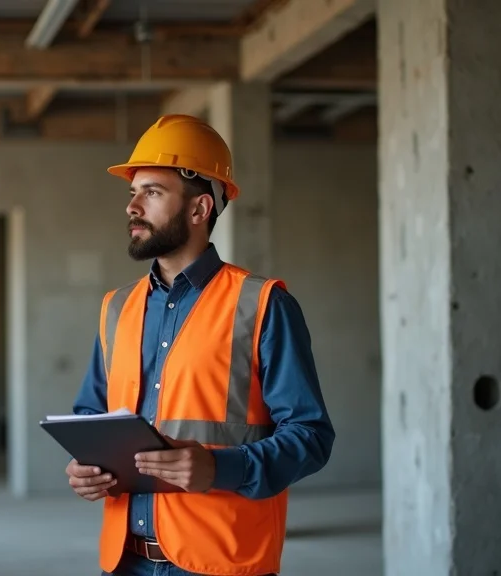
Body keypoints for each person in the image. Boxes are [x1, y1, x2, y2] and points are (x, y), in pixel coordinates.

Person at [66, 115, 335, 576]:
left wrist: (219, 469)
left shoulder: (263, 304)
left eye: (151, 192)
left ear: (199, 209)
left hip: (221, 560)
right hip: (125, 558)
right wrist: (86, 468)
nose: (133, 206)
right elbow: (92, 416)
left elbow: (311, 437)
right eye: (133, 193)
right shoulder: (117, 308)